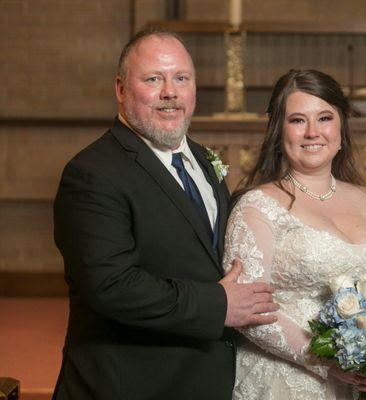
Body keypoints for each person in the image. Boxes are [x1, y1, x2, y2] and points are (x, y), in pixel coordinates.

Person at [52, 28, 278, 400]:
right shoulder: (92, 173)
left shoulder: (204, 160)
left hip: (203, 381)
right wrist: (218, 305)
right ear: (121, 89)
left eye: (181, 78)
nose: (170, 92)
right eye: (153, 79)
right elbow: (111, 286)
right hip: (130, 386)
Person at [223, 69, 366, 399]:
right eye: (297, 120)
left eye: (324, 118)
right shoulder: (258, 207)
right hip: (285, 382)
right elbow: (247, 310)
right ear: (279, 131)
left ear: (341, 129)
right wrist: (324, 360)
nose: (312, 132)